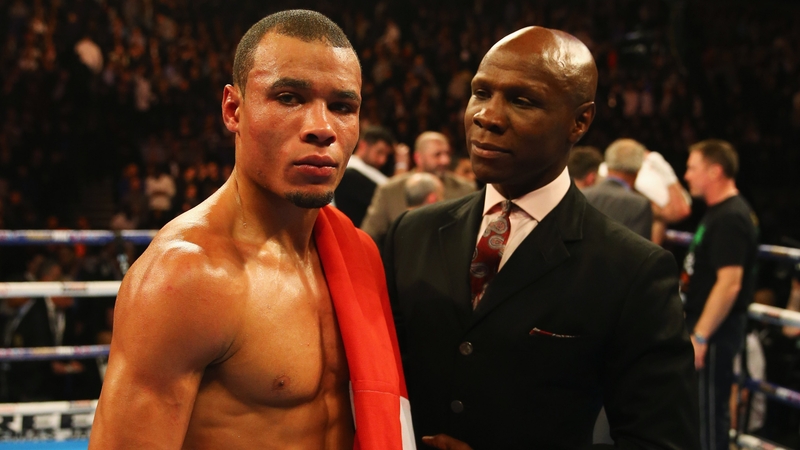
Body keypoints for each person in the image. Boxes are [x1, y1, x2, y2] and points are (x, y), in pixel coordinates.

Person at [90, 10, 413, 450]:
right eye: (289, 97)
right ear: (233, 109)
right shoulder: (187, 275)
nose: (322, 129)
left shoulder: (359, 255)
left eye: (342, 107)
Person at [383, 26, 699, 449]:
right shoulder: (412, 232)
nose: (487, 117)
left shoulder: (633, 270)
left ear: (580, 121)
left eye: (521, 100)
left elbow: (661, 440)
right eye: (481, 92)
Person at [681, 139, 759, 450]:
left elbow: (730, 283)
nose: (687, 175)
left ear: (715, 171)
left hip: (714, 331)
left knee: (709, 415)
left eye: (692, 168)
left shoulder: (731, 217)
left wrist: (701, 336)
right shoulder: (720, 213)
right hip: (706, 326)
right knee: (700, 412)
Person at [360, 131, 475, 245]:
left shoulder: (465, 189)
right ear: (418, 158)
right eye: (437, 155)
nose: (445, 161)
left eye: (447, 154)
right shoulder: (390, 190)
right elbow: (369, 235)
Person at [583, 138, 653, 239]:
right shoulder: (639, 204)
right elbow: (639, 252)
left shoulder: (582, 194)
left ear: (607, 166)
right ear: (637, 171)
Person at [333, 125, 396, 226]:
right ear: (363, 145)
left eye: (386, 155)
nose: (382, 160)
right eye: (379, 152)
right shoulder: (350, 171)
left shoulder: (370, 173)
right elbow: (394, 193)